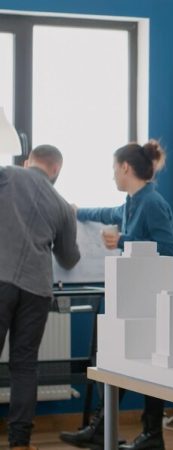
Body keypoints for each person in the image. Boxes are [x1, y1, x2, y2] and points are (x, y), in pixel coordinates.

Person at [59, 140, 173, 450]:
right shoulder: (131, 203)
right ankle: (103, 427)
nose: (113, 175)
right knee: (116, 361)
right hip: (132, 299)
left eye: (114, 169)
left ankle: (150, 434)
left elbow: (168, 250)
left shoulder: (152, 203)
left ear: (126, 168)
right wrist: (76, 210)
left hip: (149, 302)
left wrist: (123, 240)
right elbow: (105, 211)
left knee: (144, 366)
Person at [0, 145, 81, 450]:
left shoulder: (8, 174)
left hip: (1, 278)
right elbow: (69, 258)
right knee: (24, 365)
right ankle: (20, 443)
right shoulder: (62, 206)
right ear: (56, 169)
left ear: (28, 161)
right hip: (36, 290)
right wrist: (71, 216)